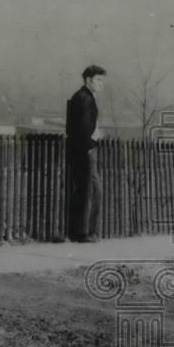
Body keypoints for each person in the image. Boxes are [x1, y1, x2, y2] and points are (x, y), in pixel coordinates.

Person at [66, 65, 106, 242]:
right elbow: (81, 128)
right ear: (88, 80)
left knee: (92, 189)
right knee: (89, 190)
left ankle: (87, 231)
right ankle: (83, 232)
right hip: (85, 150)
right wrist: (91, 143)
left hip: (84, 149)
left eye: (102, 80)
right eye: (98, 80)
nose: (101, 84)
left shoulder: (84, 96)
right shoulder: (84, 98)